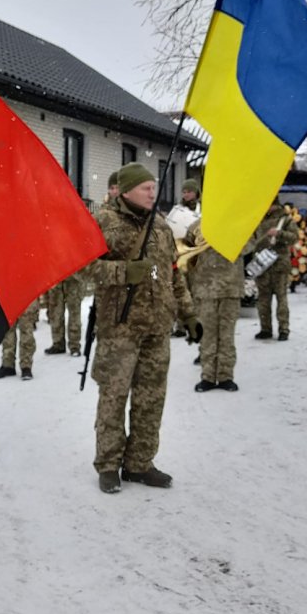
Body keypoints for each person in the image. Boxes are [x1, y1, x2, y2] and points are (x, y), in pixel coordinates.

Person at [89, 163, 200, 494]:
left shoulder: (161, 226)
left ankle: (139, 464)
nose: (153, 193)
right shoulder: (103, 222)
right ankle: (108, 465)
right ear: (126, 191)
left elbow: (169, 273)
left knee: (151, 399)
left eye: (154, 187)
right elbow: (82, 268)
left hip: (156, 327)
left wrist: (188, 314)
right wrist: (123, 272)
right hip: (119, 329)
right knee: (113, 398)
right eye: (145, 188)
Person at [183, 220, 247, 392]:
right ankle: (208, 376)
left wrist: (227, 236)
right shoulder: (196, 227)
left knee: (227, 336)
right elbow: (187, 253)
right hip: (205, 289)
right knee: (207, 335)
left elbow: (248, 247)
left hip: (230, 288)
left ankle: (226, 376)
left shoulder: (238, 224)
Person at [253, 199, 298, 339]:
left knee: (281, 298)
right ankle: (265, 328)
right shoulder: (256, 219)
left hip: (279, 264)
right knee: (263, 300)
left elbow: (294, 238)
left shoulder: (285, 220)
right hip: (262, 264)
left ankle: (283, 329)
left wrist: (279, 234)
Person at [166, 178, 202, 338]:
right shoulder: (176, 210)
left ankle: (195, 323)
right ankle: (180, 326)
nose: (186, 195)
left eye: (189, 192)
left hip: (197, 257)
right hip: (180, 255)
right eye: (184, 192)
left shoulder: (203, 211)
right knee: (180, 291)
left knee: (196, 291)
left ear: (196, 193)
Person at [0, 300, 39, 380]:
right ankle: (8, 364)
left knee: (26, 329)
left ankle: (26, 366)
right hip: (9, 297)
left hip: (26, 296)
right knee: (8, 329)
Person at [43, 271, 84, 357]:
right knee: (55, 312)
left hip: (73, 277)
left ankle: (74, 345)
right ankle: (58, 343)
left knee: (74, 312)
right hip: (55, 276)